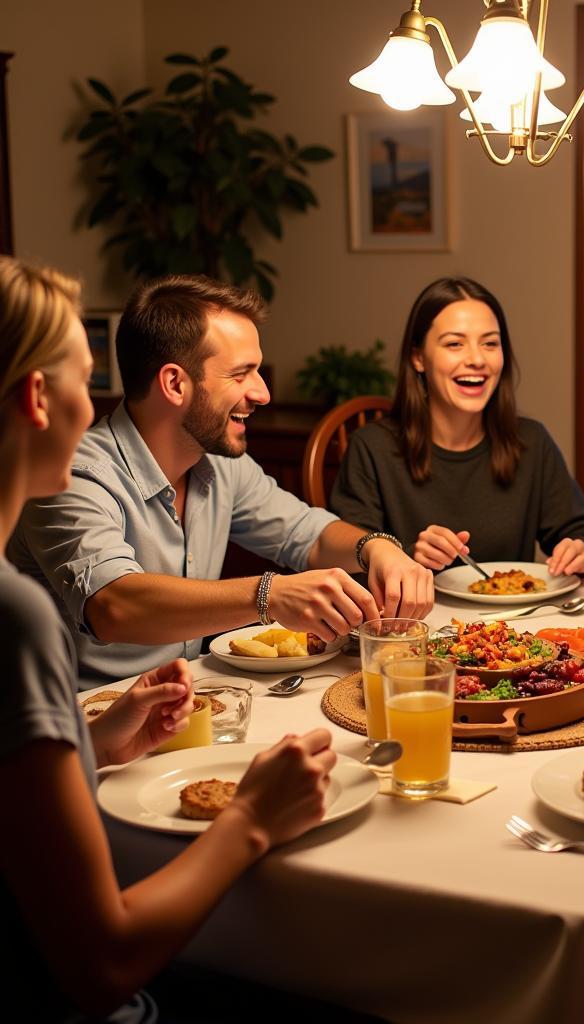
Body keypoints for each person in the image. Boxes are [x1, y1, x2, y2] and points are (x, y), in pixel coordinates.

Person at [0, 256, 339, 1022]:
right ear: (35, 399)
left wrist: (100, 743)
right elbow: (104, 964)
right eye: (83, 387)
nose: (96, 415)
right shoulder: (14, 617)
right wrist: (252, 820)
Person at [9, 274, 433, 685]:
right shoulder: (73, 474)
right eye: (240, 374)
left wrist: (375, 547)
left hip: (189, 702)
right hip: (91, 723)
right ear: (175, 383)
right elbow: (114, 605)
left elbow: (309, 535)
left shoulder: (217, 459)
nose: (263, 393)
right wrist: (271, 595)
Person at [330, 277, 584, 576]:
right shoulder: (371, 448)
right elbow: (345, 562)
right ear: (418, 357)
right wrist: (405, 555)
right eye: (455, 344)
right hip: (412, 622)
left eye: (490, 343)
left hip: (512, 622)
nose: (476, 359)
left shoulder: (531, 441)